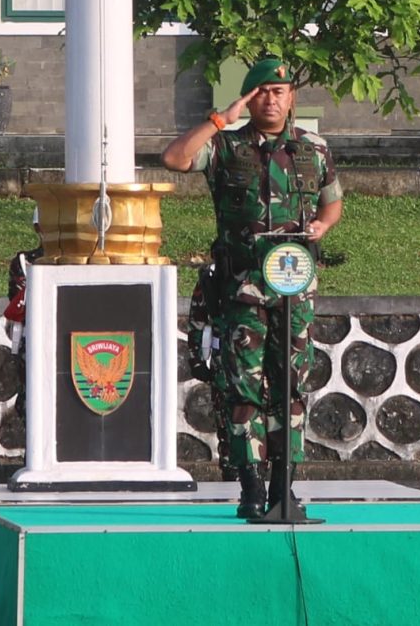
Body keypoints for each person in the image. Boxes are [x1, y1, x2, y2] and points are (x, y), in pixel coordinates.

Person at [162, 57, 344, 519]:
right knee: (244, 386)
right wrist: (222, 116)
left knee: (291, 385)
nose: (271, 99)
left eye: (279, 91)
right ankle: (250, 485)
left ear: (291, 98)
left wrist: (323, 225)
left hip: (294, 288)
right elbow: (175, 158)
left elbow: (332, 202)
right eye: (261, 91)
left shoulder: (314, 149)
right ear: (249, 98)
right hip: (243, 286)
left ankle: (285, 488)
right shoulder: (226, 146)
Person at [185, 260, 237, 482]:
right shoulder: (215, 273)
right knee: (227, 418)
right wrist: (196, 357)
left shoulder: (266, 267)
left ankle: (259, 472)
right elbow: (198, 317)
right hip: (224, 357)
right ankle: (232, 469)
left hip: (261, 355)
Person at [4, 206, 44, 420]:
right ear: (37, 227)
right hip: (33, 340)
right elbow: (18, 301)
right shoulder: (23, 261)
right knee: (31, 401)